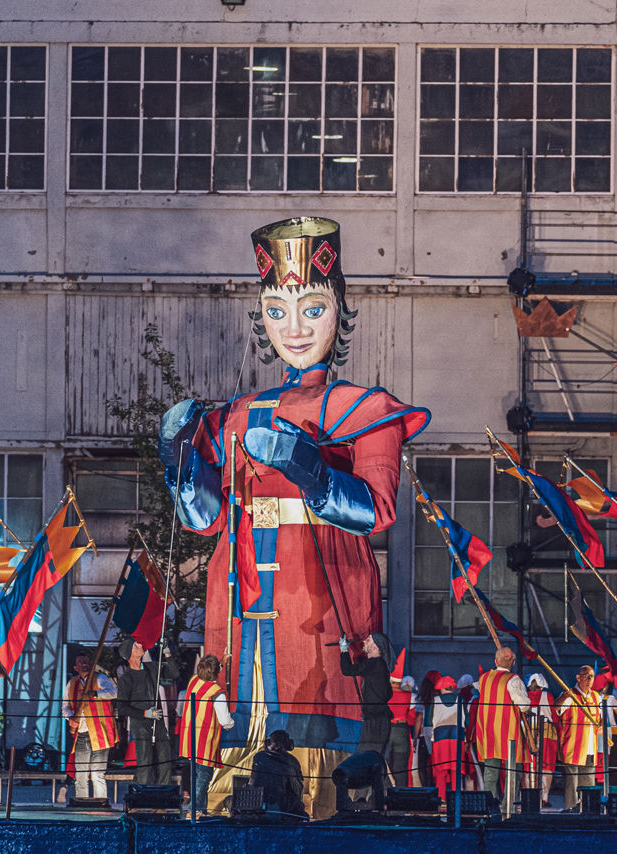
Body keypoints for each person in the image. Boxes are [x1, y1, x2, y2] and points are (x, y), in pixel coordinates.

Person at [160, 217, 429, 814]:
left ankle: (327, 802)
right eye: (278, 310)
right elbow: (206, 520)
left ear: (340, 312)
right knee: (240, 704)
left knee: (318, 695)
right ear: (262, 317)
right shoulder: (234, 413)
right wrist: (181, 470)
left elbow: (376, 509)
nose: (296, 327)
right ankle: (231, 801)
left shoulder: (366, 409)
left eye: (313, 308)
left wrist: (310, 470)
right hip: (238, 585)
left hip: (321, 582)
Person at [178, 655, 235, 817]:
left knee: (197, 775)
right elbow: (225, 721)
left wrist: (222, 663)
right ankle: (194, 810)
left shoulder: (194, 681)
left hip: (189, 738)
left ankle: (200, 809)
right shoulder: (216, 692)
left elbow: (208, 674)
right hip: (204, 741)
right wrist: (232, 723)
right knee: (203, 777)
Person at [114, 637, 177, 785]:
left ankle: (164, 794)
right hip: (140, 726)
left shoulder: (152, 668)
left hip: (158, 722)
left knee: (165, 761)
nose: (141, 646)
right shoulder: (126, 678)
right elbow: (122, 707)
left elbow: (173, 673)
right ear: (129, 653)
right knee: (145, 763)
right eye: (136, 646)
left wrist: (166, 651)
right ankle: (143, 793)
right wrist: (144, 713)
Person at [471, 647, 530, 799]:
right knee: (513, 772)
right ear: (514, 662)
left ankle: (490, 806)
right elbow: (524, 705)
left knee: (490, 773)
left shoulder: (484, 678)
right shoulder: (513, 680)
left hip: (489, 732)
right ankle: (508, 806)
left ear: (495, 661)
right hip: (509, 732)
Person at [64, 652, 118, 802]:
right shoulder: (72, 683)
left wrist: (94, 694)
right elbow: (65, 705)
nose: (84, 664)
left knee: (97, 773)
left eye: (86, 661)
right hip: (82, 733)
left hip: (101, 733)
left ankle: (100, 803)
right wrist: (70, 718)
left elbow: (113, 693)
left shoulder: (100, 678)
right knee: (81, 774)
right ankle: (81, 802)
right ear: (75, 667)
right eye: (80, 662)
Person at [339, 632, 394, 765]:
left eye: (368, 640)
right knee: (371, 758)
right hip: (377, 718)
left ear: (376, 647)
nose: (364, 641)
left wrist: (344, 651)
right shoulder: (379, 666)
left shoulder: (375, 663)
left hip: (375, 720)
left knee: (367, 758)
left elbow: (347, 670)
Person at [556, 665, 600, 811]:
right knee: (571, 783)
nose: (589, 680)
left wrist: (601, 726)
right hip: (572, 747)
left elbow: (600, 719)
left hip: (590, 747)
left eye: (591, 677)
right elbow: (555, 709)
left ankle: (587, 811)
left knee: (588, 783)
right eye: (586, 676)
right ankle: (570, 810)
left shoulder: (596, 696)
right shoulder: (570, 694)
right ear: (578, 678)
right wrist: (564, 697)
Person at [249, 729, 307, 816]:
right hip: (286, 809)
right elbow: (297, 790)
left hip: (261, 807)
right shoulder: (292, 761)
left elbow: (252, 783)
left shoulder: (259, 757)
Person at [428, 676, 463, 803]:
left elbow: (428, 721)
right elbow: (467, 721)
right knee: (455, 770)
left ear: (441, 688)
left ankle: (441, 799)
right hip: (457, 737)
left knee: (440, 771)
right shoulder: (461, 700)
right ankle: (456, 799)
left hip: (439, 738)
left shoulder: (435, 700)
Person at [525, 672, 557, 806]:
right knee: (546, 767)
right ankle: (544, 798)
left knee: (528, 766)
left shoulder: (524, 696)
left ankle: (529, 797)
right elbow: (554, 715)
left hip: (527, 732)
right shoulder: (547, 696)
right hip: (547, 732)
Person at [385, 654, 416, 781]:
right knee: (401, 767)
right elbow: (412, 715)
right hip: (402, 730)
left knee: (385, 765)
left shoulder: (384, 694)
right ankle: (401, 791)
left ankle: (385, 791)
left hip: (387, 729)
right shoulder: (408, 695)